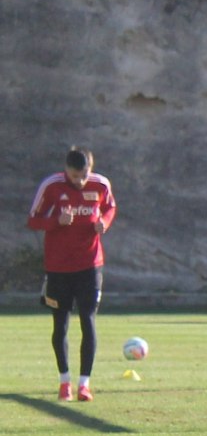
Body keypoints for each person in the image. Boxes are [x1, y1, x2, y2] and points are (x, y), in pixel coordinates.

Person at [27, 148, 117, 402]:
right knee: (61, 324)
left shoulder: (100, 184)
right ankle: (64, 381)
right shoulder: (52, 186)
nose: (80, 181)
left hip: (90, 266)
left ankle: (84, 385)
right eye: (75, 176)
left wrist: (105, 223)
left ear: (91, 167)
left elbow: (110, 207)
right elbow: (33, 220)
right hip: (58, 268)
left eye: (84, 175)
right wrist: (56, 220)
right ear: (66, 169)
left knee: (88, 321)